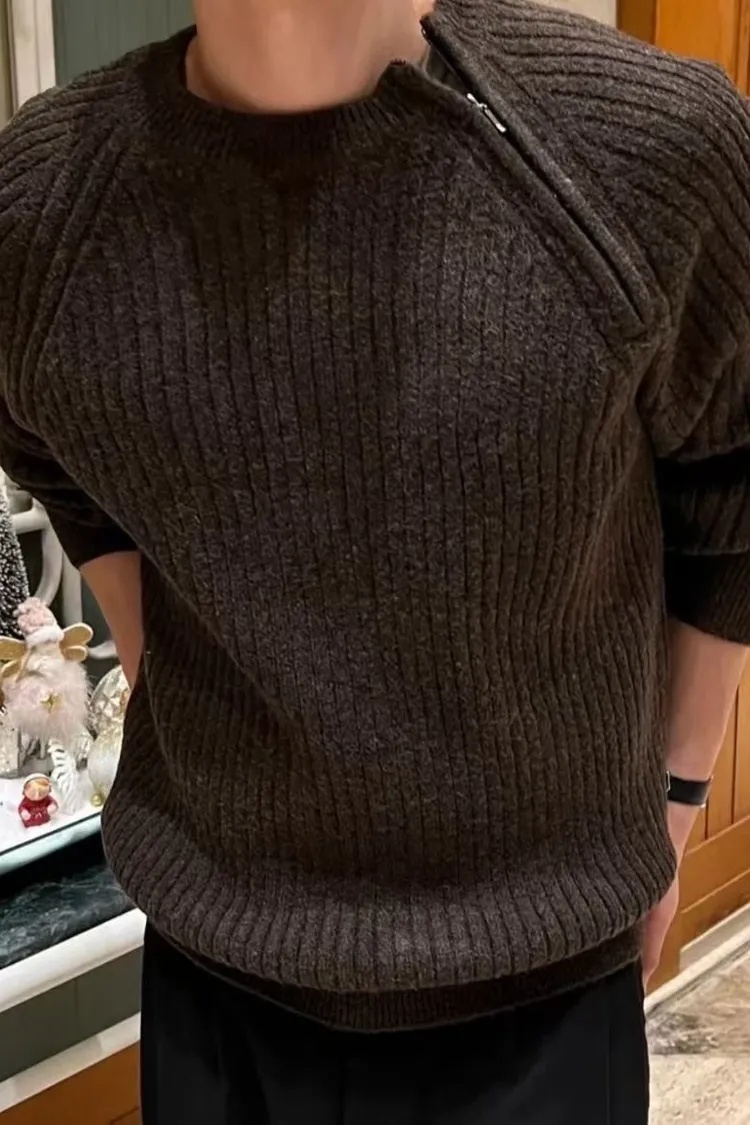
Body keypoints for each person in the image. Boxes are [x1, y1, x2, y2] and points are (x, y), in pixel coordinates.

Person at [1, 0, 749, 1119]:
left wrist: (678, 798)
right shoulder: (42, 205)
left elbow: (733, 477)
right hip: (217, 982)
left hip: (540, 995)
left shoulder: (644, 149)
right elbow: (53, 453)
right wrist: (172, 676)